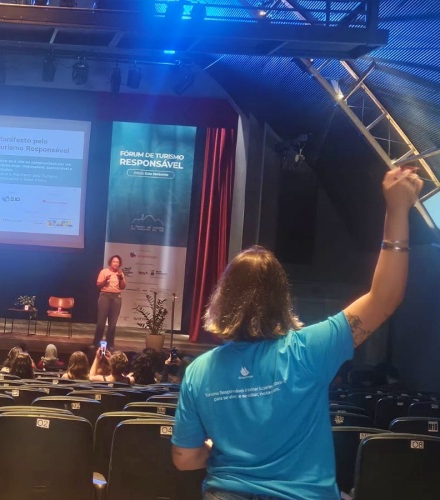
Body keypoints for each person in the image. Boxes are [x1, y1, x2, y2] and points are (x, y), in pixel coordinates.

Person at [171, 169, 422, 499]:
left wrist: (211, 448)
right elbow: (384, 299)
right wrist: (397, 209)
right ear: (282, 297)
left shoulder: (198, 372)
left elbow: (185, 459)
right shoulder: (309, 349)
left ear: (222, 299)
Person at [92, 254, 127, 347]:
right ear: (110, 263)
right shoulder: (104, 272)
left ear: (119, 264)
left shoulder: (120, 273)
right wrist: (105, 280)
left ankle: (110, 344)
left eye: (117, 262)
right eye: (114, 261)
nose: (116, 263)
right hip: (105, 296)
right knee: (101, 321)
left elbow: (123, 287)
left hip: (116, 297)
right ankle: (96, 343)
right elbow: (98, 285)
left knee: (113, 323)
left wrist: (121, 278)